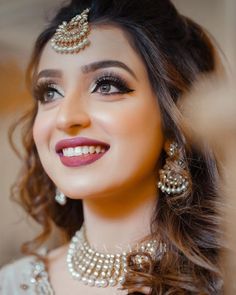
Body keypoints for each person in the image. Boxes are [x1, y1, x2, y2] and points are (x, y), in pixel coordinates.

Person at [0, 0, 224, 294]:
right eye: (50, 92)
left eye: (106, 86)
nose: (66, 117)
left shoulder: (222, 280)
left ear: (175, 121)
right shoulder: (11, 284)